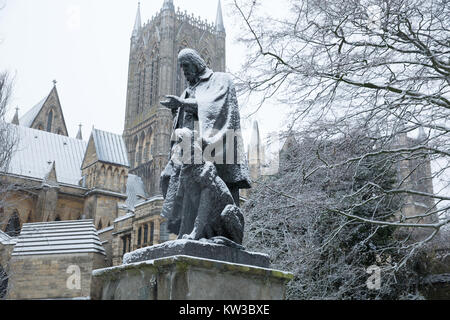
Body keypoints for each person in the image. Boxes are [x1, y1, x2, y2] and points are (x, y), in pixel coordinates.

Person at [160, 48, 251, 241]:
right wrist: (177, 108)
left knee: (207, 187)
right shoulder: (187, 90)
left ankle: (209, 232)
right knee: (167, 176)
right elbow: (183, 121)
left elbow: (216, 107)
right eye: (181, 67)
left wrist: (184, 103)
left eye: (185, 66)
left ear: (196, 63)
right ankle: (186, 229)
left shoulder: (220, 79)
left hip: (214, 145)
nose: (183, 71)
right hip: (188, 150)